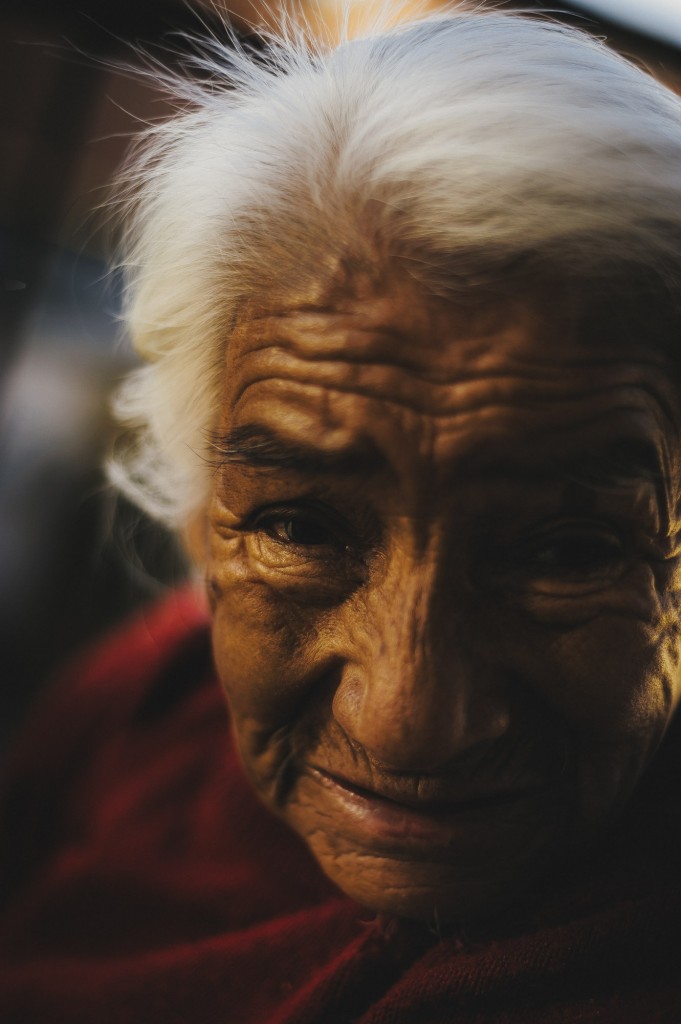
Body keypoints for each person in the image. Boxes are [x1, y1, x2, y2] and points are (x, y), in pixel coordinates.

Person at [2, 5, 681, 1021]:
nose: (409, 719)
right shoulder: (155, 690)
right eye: (301, 528)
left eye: (568, 551)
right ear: (198, 517)